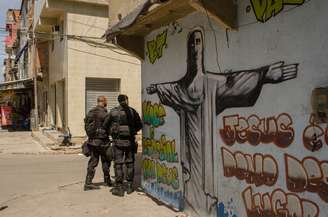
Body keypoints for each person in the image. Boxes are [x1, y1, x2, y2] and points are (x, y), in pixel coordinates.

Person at [104, 94, 142, 197]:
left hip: (118, 142)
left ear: (118, 101)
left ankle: (119, 187)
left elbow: (105, 125)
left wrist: (112, 132)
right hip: (130, 141)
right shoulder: (132, 111)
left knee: (118, 164)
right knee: (130, 163)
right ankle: (129, 186)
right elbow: (139, 125)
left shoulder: (113, 112)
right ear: (126, 100)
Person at [84, 96, 112, 191]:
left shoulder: (90, 112)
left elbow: (86, 126)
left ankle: (88, 183)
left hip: (92, 141)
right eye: (106, 101)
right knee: (106, 160)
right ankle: (107, 180)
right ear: (104, 102)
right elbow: (110, 128)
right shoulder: (105, 114)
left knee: (93, 161)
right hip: (103, 141)